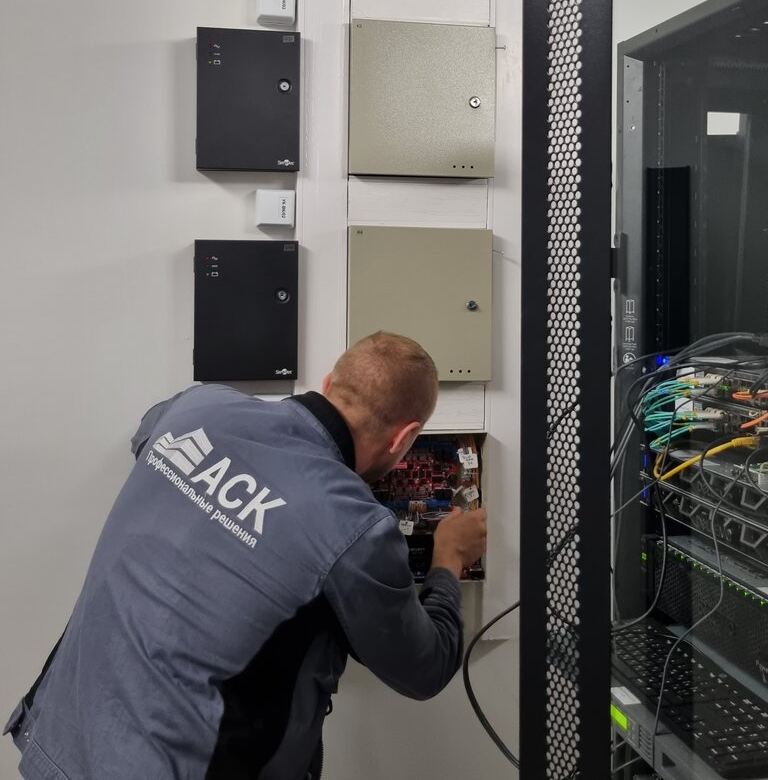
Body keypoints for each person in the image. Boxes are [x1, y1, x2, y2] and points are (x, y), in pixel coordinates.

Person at [5, 331, 487, 780]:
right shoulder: (356, 529)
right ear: (404, 438)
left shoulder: (197, 406)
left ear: (328, 384)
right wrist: (448, 558)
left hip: (60, 743)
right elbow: (424, 668)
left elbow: (146, 437)